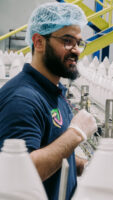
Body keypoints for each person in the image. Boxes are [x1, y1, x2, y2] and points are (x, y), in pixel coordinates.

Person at [0, 2, 97, 200]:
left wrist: (82, 166)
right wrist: (75, 134)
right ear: (39, 42)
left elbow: (51, 148)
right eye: (68, 41)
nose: (76, 50)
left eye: (79, 42)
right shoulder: (22, 99)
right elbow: (19, 174)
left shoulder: (52, 92)